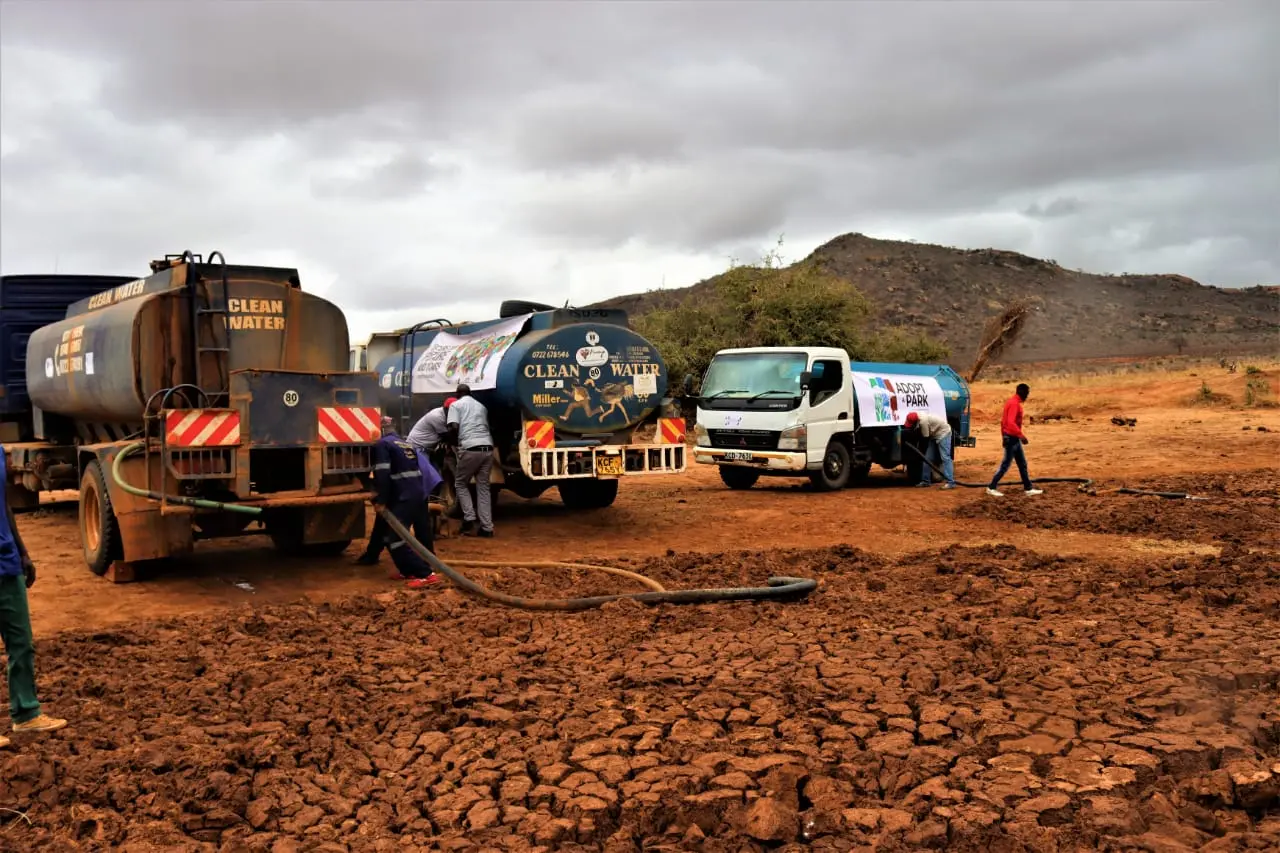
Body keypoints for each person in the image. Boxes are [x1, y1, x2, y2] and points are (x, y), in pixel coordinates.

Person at [0, 445, 68, 749]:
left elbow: (4, 505)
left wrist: (23, 552)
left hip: (7, 563)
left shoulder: (0, 453)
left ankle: (26, 714)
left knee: (21, 642)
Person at [358, 416, 443, 569]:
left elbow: (383, 475)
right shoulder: (402, 442)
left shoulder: (383, 445)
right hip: (419, 484)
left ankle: (424, 569)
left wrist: (382, 499)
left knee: (400, 531)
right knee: (415, 523)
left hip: (415, 485)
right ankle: (429, 561)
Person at [446, 384, 494, 538]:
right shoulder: (481, 406)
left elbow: (453, 427)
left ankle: (469, 519)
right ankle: (487, 528)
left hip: (470, 448)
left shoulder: (455, 405)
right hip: (487, 448)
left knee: (460, 482)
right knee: (483, 488)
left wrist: (454, 445)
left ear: (457, 394)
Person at [987, 383, 1044, 497]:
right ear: (1022, 393)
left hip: (1012, 438)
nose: (1027, 396)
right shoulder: (1014, 404)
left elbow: (1003, 422)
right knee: (1005, 465)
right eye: (1027, 393)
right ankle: (991, 487)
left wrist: (1003, 436)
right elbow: (1010, 423)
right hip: (1013, 439)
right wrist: (1021, 436)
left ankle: (1028, 488)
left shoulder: (1011, 402)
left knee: (1022, 464)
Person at [904, 411, 956, 489]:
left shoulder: (923, 422)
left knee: (945, 457)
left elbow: (925, 439)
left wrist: (920, 450)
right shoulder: (915, 417)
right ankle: (926, 481)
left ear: (916, 422)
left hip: (943, 433)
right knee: (927, 458)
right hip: (933, 434)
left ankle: (951, 482)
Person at [408, 397, 456, 472]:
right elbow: (447, 436)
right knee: (427, 475)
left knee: (436, 476)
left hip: (428, 449)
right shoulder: (437, 416)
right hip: (418, 447)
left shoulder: (447, 415)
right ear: (446, 408)